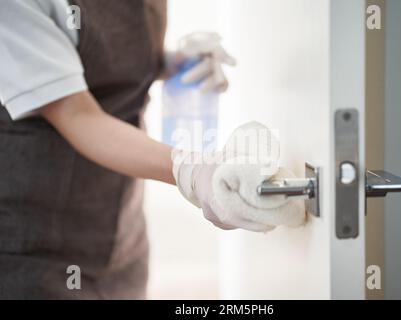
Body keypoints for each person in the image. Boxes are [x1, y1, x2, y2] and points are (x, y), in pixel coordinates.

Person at [0, 0, 294, 299]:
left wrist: (168, 64)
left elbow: (105, 63)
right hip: (32, 245)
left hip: (120, 233)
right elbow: (77, 115)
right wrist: (191, 171)